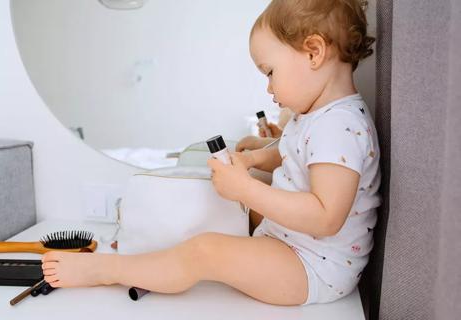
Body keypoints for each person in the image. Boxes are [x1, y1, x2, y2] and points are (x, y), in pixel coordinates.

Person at [41, 0, 381, 306]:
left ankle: (108, 270)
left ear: (313, 52)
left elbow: (325, 217)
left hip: (313, 268)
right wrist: (250, 161)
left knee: (206, 250)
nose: (269, 88)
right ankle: (149, 245)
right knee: (222, 197)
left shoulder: (338, 127)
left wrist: (246, 189)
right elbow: (289, 151)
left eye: (270, 72)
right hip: (297, 244)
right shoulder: (317, 115)